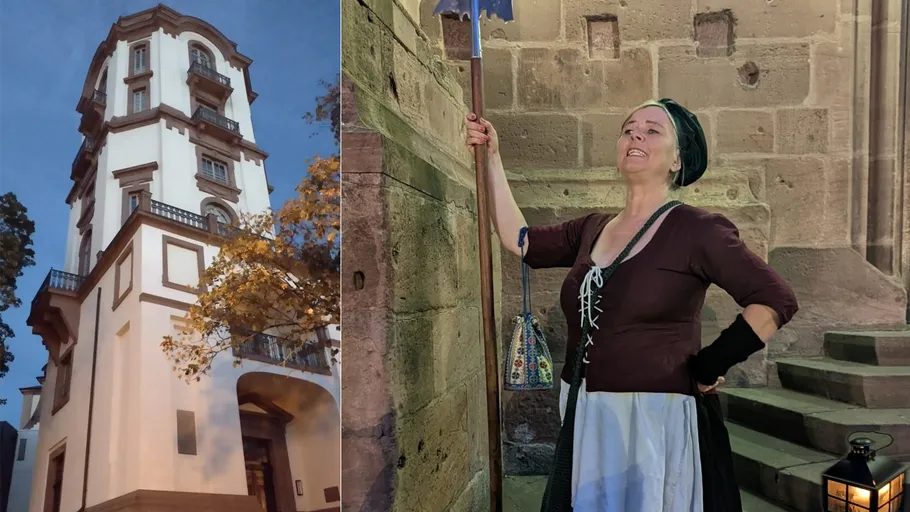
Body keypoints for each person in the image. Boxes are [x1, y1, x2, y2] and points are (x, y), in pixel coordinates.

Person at [465, 99, 799, 512]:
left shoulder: (698, 230)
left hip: (651, 417)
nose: (635, 134)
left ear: (677, 159)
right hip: (585, 407)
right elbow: (521, 239)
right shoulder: (591, 228)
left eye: (653, 130)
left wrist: (708, 365)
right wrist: (493, 158)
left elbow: (775, 299)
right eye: (628, 128)